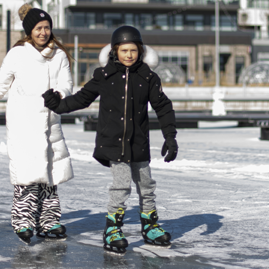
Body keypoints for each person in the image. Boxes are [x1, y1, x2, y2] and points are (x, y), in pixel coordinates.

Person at [42, 25, 178, 255]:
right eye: (124, 50)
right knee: (121, 185)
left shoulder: (148, 77)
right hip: (113, 143)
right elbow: (83, 98)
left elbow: (163, 107)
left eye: (133, 50)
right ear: (115, 51)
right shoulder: (105, 76)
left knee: (146, 185)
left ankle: (150, 225)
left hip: (139, 142)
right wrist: (58, 105)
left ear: (141, 51)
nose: (129, 55)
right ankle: (112, 228)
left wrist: (170, 137)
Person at [0, 4, 74, 245]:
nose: (43, 32)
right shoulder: (17, 54)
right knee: (27, 177)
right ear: (30, 31)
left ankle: (49, 222)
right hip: (24, 124)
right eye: (39, 28)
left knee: (50, 177)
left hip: (50, 123)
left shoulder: (59, 55)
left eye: (47, 27)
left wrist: (58, 94)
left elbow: (67, 85)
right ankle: (23, 221)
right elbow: (0, 86)